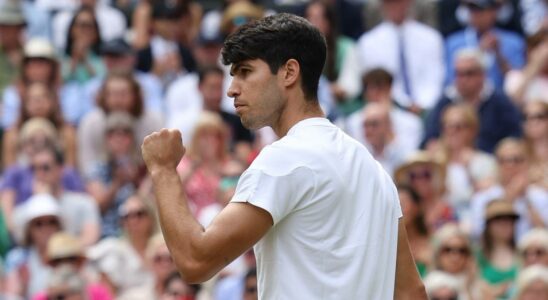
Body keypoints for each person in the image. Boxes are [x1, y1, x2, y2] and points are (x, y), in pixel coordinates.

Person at [141, 13, 425, 299]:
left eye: (245, 71)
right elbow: (412, 291)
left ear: (289, 72)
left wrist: (163, 169)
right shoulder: (373, 170)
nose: (232, 89)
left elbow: (195, 261)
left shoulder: (284, 159)